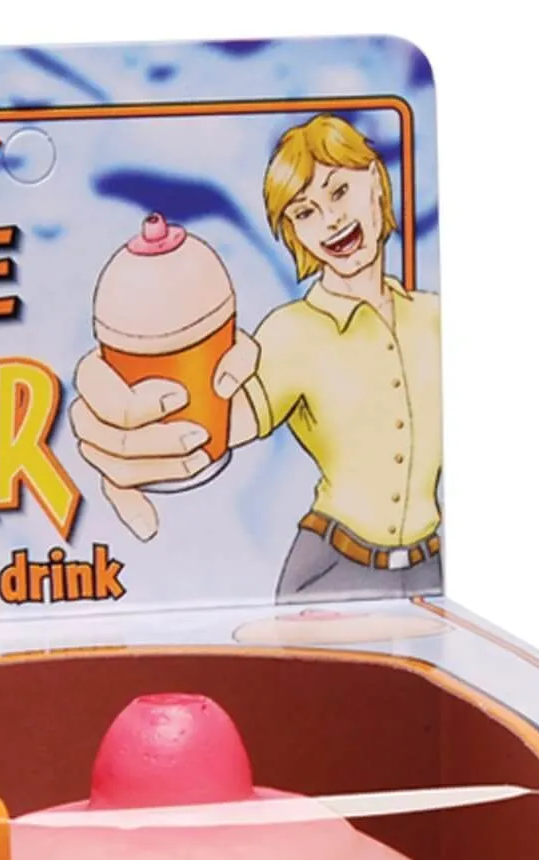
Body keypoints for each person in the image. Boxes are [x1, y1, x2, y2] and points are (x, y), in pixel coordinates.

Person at [71, 113, 444, 602]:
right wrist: (138, 438)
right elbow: (219, 427)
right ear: (292, 232)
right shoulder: (293, 333)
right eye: (304, 212)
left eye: (339, 191)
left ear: (375, 179)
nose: (330, 220)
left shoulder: (435, 318)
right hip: (334, 570)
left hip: (430, 572)